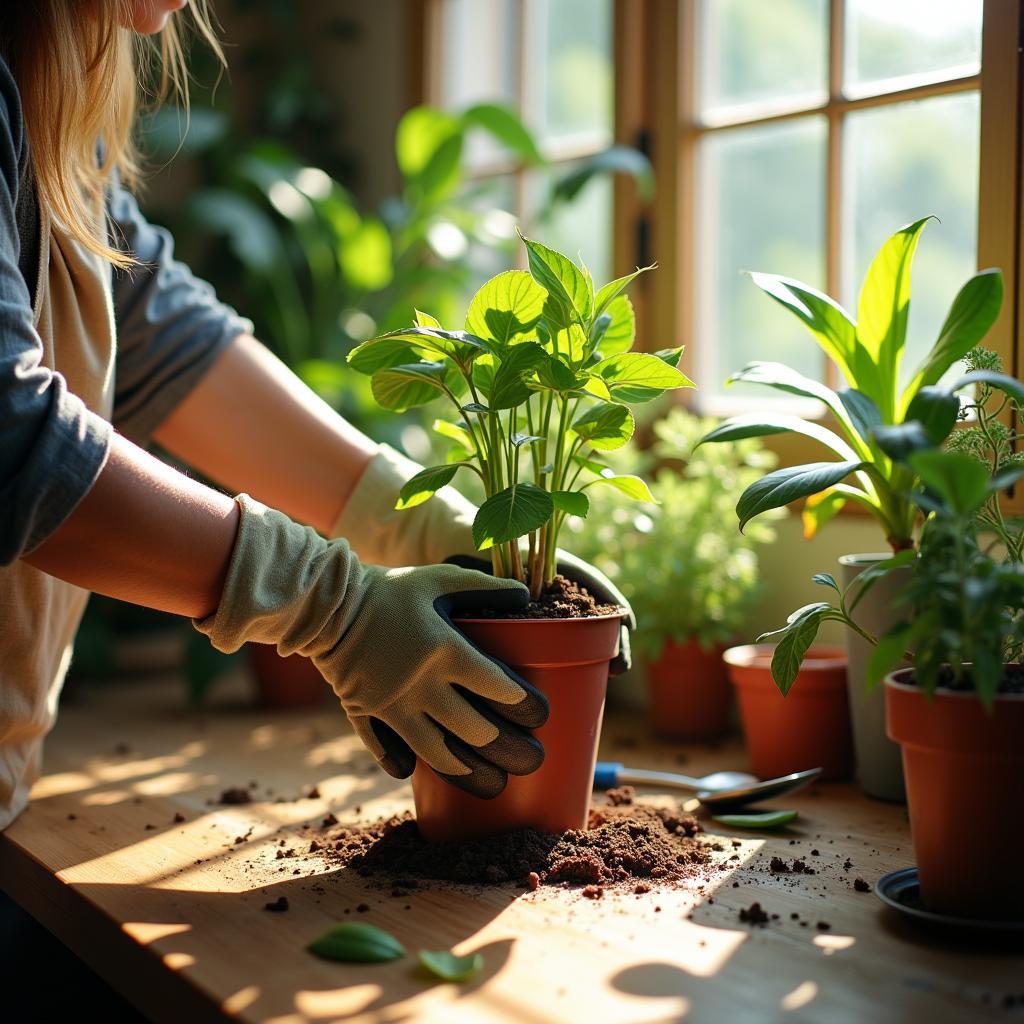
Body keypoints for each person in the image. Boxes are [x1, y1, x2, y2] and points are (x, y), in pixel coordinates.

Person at [0, 1, 632, 834]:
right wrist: (331, 605)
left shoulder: (48, 79)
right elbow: (13, 439)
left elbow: (151, 327)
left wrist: (399, 516)